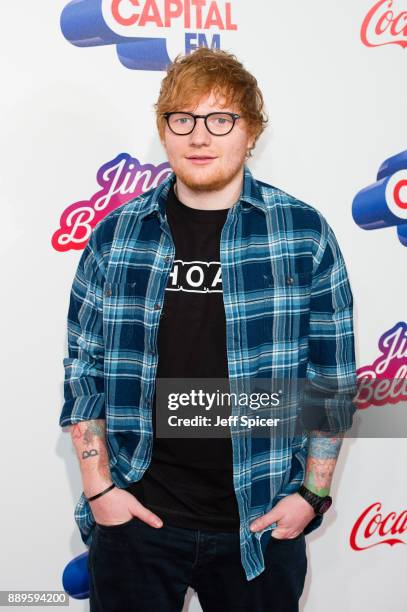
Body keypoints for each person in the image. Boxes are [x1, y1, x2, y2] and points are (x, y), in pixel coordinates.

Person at [59, 47, 357, 612]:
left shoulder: (302, 234)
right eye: (183, 119)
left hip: (262, 524)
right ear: (164, 131)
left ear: (251, 133)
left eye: (222, 120)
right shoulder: (117, 236)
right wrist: (100, 489)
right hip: (136, 522)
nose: (200, 136)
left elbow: (332, 379)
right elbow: (85, 366)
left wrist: (313, 494)